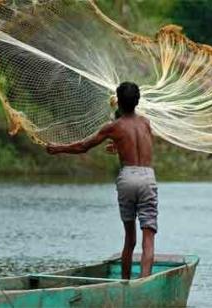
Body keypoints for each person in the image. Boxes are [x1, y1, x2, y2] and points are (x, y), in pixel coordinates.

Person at [47, 82, 158, 279]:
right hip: (147, 177)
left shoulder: (114, 127)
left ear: (119, 103)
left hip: (128, 177)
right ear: (137, 102)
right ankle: (144, 283)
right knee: (148, 239)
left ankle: (125, 284)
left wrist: (58, 148)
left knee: (130, 239)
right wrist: (119, 147)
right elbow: (142, 146)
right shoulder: (146, 123)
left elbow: (83, 146)